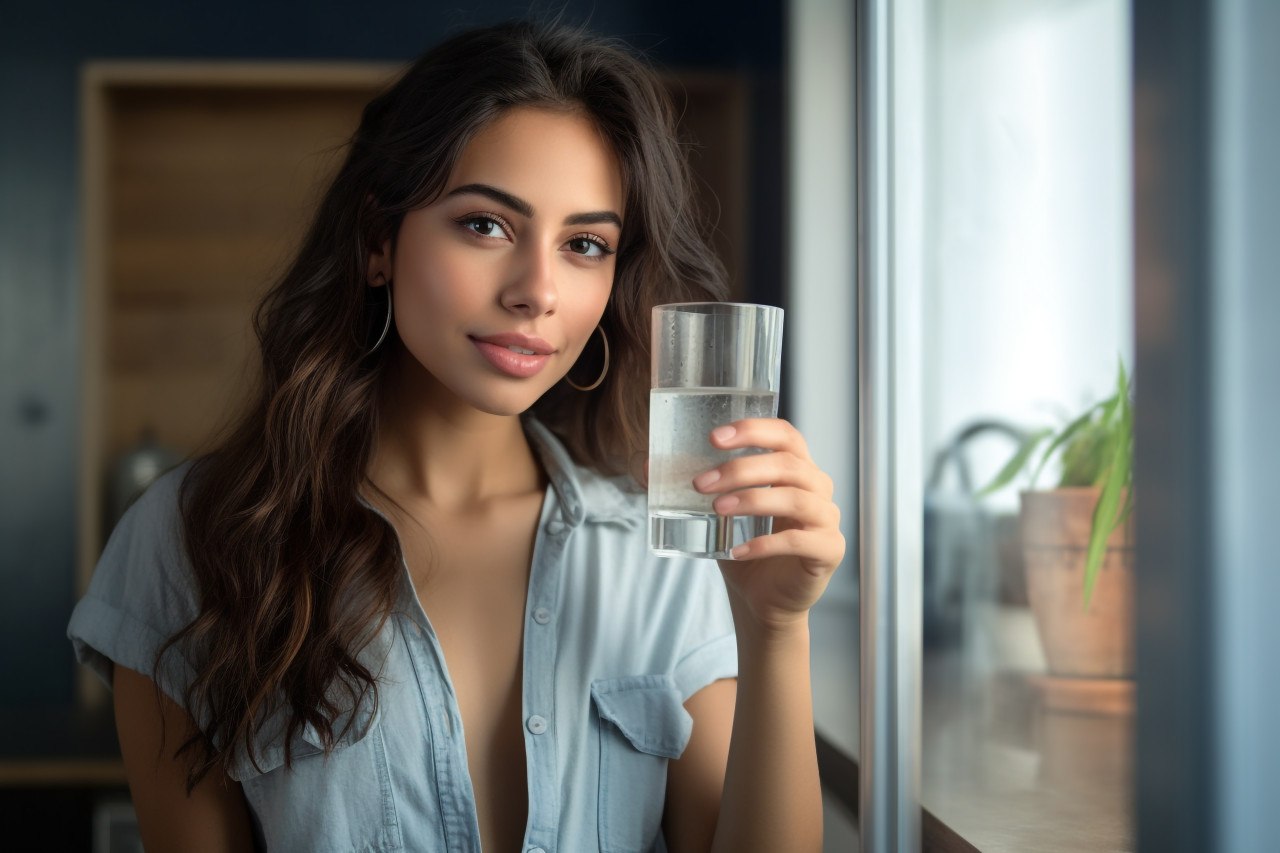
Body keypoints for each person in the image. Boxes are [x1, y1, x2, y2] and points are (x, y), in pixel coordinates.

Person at [68, 20, 844, 853]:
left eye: (585, 244)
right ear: (378, 241)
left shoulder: (664, 554)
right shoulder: (187, 540)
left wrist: (775, 629)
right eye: (486, 225)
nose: (537, 291)